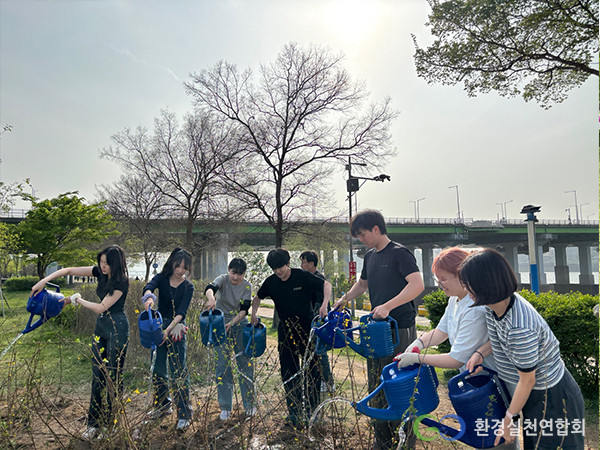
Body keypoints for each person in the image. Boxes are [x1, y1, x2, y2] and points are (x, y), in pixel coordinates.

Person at [462, 248, 585, 449]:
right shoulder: (495, 306)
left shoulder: (520, 327)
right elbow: (500, 340)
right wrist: (479, 353)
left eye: (469, 284)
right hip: (534, 391)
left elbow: (528, 379)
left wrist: (510, 418)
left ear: (484, 285)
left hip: (552, 395)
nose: (467, 289)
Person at [332, 209, 424, 450]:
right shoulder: (371, 256)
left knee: (400, 385)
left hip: (400, 328)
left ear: (375, 229)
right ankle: (382, 442)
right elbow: (362, 284)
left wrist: (388, 306)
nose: (361, 240)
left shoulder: (400, 254)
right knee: (378, 384)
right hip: (378, 331)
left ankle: (405, 443)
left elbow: (417, 285)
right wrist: (344, 299)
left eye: (362, 234)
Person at [30, 245, 130, 440]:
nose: (102, 266)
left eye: (106, 263)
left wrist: (77, 299)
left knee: (113, 376)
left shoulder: (121, 281)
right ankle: (93, 424)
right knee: (97, 374)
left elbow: (102, 307)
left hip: (117, 326)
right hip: (101, 327)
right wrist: (44, 281)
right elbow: (68, 270)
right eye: (100, 262)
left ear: (115, 264)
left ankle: (113, 424)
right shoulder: (99, 272)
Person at [251, 248, 331, 429]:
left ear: (287, 263)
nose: (278, 271)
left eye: (281, 266)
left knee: (312, 371)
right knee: (288, 372)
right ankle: (294, 413)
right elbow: (257, 297)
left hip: (306, 329)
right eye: (274, 268)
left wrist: (325, 304)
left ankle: (312, 412)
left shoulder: (302, 276)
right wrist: (253, 314)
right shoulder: (271, 282)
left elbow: (326, 285)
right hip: (286, 331)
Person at [394, 247, 496, 371]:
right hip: (469, 376)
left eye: (443, 279)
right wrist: (419, 343)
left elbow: (456, 360)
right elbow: (441, 331)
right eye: (437, 279)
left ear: (462, 275)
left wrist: (418, 358)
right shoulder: (454, 299)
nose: (439, 284)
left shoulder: (475, 309)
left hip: (487, 377)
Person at [142, 248, 194, 431]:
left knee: (179, 369)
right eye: (178, 266)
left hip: (177, 327)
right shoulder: (162, 278)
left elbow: (181, 312)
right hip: (158, 325)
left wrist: (169, 329)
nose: (180, 270)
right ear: (172, 263)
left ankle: (184, 413)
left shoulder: (188, 286)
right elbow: (149, 286)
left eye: (184, 268)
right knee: (157, 367)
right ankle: (163, 405)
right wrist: (148, 298)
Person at [204, 257, 255, 421]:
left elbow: (244, 310)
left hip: (239, 324)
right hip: (220, 324)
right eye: (234, 273)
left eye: (240, 274)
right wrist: (211, 298)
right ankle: (225, 406)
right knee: (222, 365)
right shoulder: (222, 279)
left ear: (244, 274)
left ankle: (249, 405)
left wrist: (232, 323)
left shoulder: (247, 286)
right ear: (229, 270)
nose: (236, 277)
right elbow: (210, 288)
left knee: (245, 364)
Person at [300, 250, 334, 394]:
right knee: (313, 352)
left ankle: (328, 382)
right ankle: (318, 381)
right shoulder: (308, 277)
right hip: (312, 319)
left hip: (319, 320)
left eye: (303, 262)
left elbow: (320, 303)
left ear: (311, 264)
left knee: (319, 351)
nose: (301, 265)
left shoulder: (318, 278)